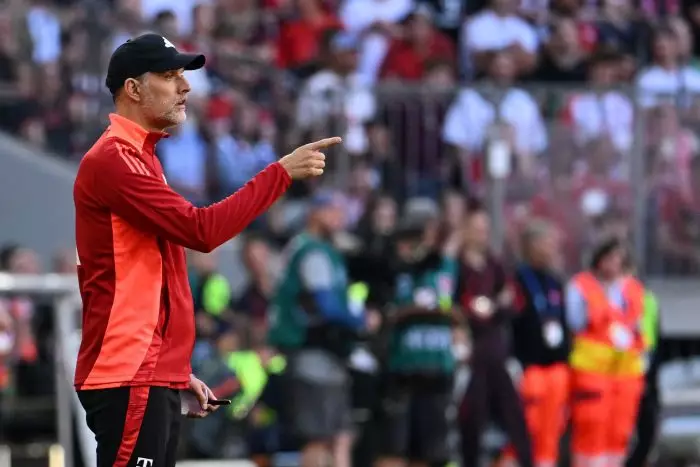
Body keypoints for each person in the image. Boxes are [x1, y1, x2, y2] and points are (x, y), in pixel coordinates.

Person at [73, 33, 341, 467]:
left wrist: (174, 369)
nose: (185, 86)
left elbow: (154, 273)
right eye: (169, 75)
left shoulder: (140, 158)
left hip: (147, 371)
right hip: (129, 370)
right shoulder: (114, 161)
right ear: (133, 89)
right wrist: (279, 175)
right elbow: (201, 231)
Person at [268, 192, 364, 467]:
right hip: (311, 352)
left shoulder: (316, 248)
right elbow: (325, 305)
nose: (340, 217)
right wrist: (360, 320)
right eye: (333, 210)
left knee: (340, 435)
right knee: (318, 439)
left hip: (324, 353)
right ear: (315, 212)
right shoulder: (312, 251)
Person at [374, 221, 459, 467]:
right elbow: (382, 313)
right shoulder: (392, 270)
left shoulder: (448, 269)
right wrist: (411, 311)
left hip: (436, 370)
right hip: (402, 371)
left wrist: (448, 314)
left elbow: (462, 311)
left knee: (426, 451)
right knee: (393, 448)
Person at [456, 204, 534, 467]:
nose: (481, 234)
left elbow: (515, 301)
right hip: (472, 355)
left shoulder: (494, 264)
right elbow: (462, 307)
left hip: (497, 352)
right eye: (476, 228)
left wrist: (494, 306)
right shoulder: (457, 265)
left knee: (515, 418)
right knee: (471, 419)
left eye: (485, 229)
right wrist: (487, 307)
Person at [566, 239, 646, 467]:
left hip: (626, 372)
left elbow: (641, 326)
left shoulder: (633, 288)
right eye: (609, 257)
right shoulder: (582, 286)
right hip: (592, 372)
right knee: (591, 428)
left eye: (618, 258)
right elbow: (575, 324)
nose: (614, 263)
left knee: (620, 432)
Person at [501, 220, 570, 467]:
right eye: (546, 243)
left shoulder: (555, 281)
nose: (551, 248)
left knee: (552, 430)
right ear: (530, 245)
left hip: (556, 368)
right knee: (525, 427)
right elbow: (511, 320)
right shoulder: (517, 280)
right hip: (529, 367)